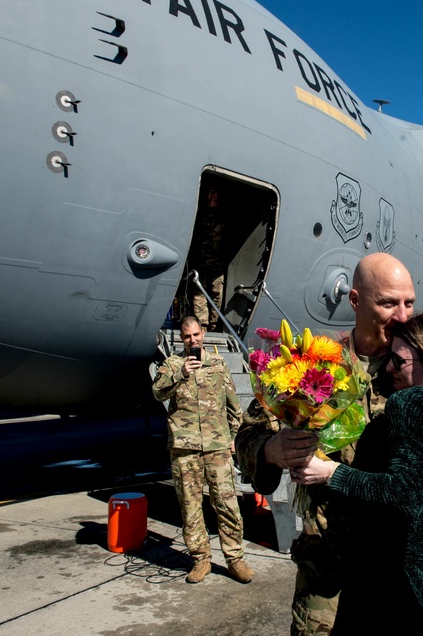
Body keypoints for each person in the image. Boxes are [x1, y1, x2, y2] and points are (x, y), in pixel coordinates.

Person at [235, 252, 423, 634]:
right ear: (356, 301)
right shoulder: (314, 363)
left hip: (404, 563)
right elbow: (247, 434)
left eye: (409, 302)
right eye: (389, 303)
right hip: (331, 562)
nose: (403, 315)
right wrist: (272, 450)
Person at [294, 311, 423, 634]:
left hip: (414, 598)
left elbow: (403, 494)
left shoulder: (409, 403)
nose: (388, 369)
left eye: (398, 362)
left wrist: (330, 472)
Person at [152, 316, 255, 584]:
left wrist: (234, 437)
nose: (193, 340)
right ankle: (200, 560)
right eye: (187, 337)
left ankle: (235, 559)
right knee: (190, 506)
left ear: (204, 333)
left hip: (216, 447)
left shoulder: (218, 365)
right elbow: (158, 392)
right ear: (181, 338)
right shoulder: (172, 365)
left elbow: (235, 407)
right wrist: (181, 372)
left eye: (196, 335)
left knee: (227, 503)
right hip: (184, 449)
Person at [190, 187, 225, 332]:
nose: (212, 196)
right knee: (199, 294)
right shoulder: (198, 215)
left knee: (217, 294)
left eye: (215, 193)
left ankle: (214, 326)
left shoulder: (224, 215)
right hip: (201, 261)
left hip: (218, 262)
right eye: (209, 193)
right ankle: (202, 327)